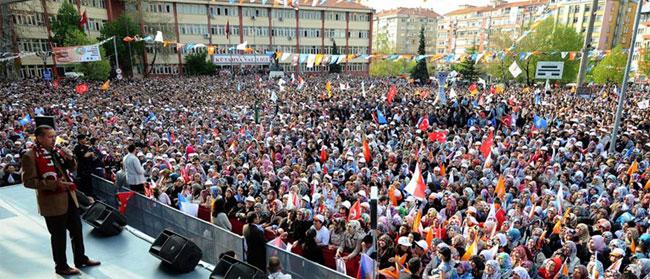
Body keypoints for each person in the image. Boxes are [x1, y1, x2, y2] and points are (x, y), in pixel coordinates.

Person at [21, 125, 100, 276]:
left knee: (77, 230)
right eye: (50, 136)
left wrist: (70, 158)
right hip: (52, 202)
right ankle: (61, 266)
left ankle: (81, 258)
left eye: (54, 136)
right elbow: (29, 182)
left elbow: (71, 169)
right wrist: (55, 184)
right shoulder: (30, 156)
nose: (54, 139)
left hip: (69, 197)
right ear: (39, 138)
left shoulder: (57, 151)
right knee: (58, 236)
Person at [73, 134, 95, 198]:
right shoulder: (77, 147)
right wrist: (90, 153)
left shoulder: (87, 147)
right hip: (82, 170)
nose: (85, 140)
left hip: (88, 169)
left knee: (89, 184)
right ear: (80, 140)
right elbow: (84, 156)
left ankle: (91, 196)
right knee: (83, 184)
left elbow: (92, 157)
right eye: (84, 138)